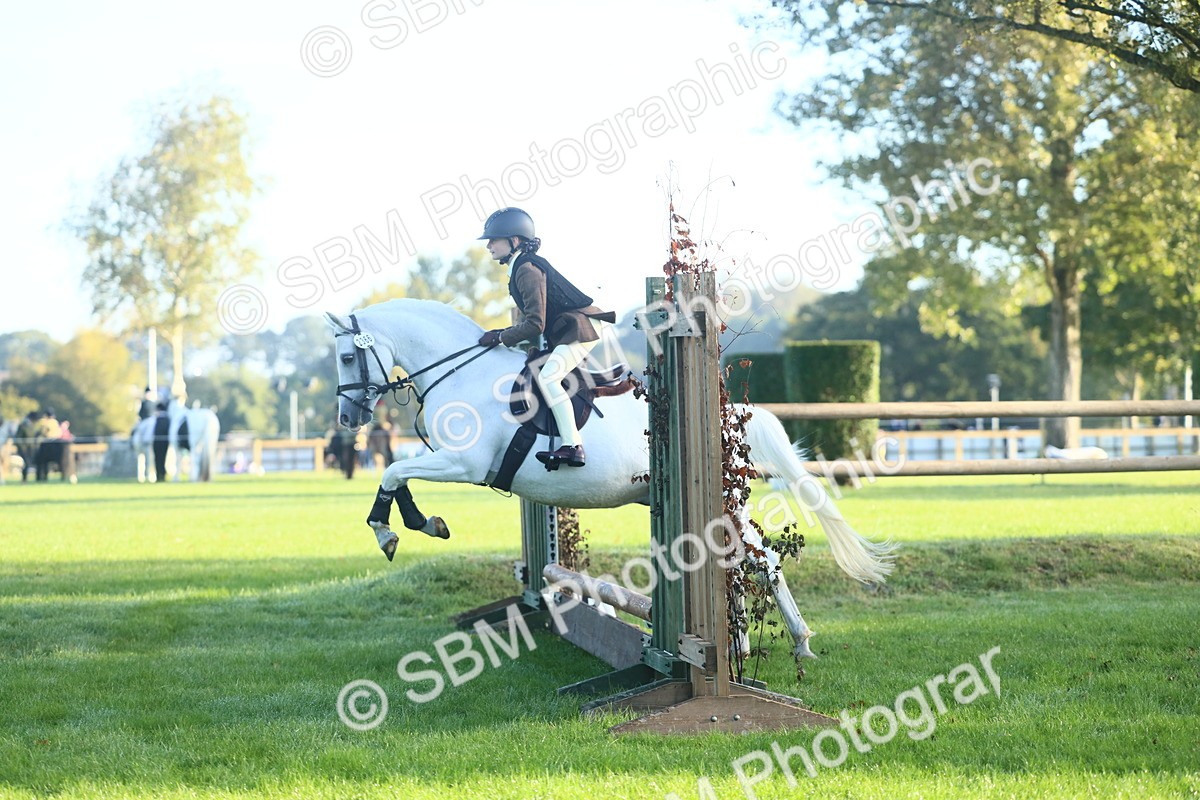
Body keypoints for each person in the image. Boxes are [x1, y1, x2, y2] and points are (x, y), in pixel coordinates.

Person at [475, 207, 616, 468]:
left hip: (582, 327)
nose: (489, 246)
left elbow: (535, 324)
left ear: (514, 241)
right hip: (570, 328)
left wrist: (499, 338)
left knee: (548, 376)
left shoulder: (527, 269)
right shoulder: (520, 266)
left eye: (494, 239)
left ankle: (573, 446)